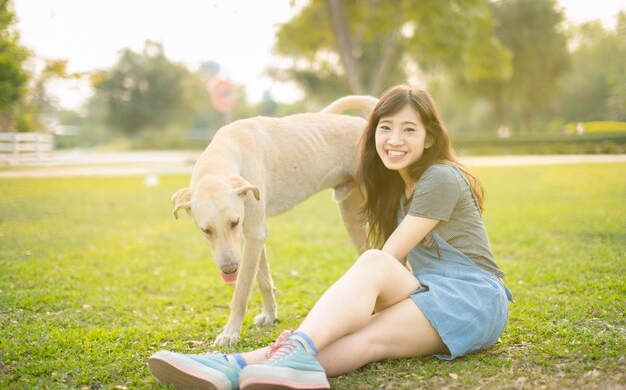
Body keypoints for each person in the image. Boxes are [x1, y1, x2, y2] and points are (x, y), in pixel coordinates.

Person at [148, 85, 513, 390]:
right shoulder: (396, 186)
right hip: (429, 295)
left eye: (409, 130)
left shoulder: (440, 178)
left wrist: (345, 311)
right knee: (361, 341)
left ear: (430, 137)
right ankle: (235, 367)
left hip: (472, 299)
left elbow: (388, 260)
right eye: (385, 128)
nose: (394, 140)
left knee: (371, 263)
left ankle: (293, 347)